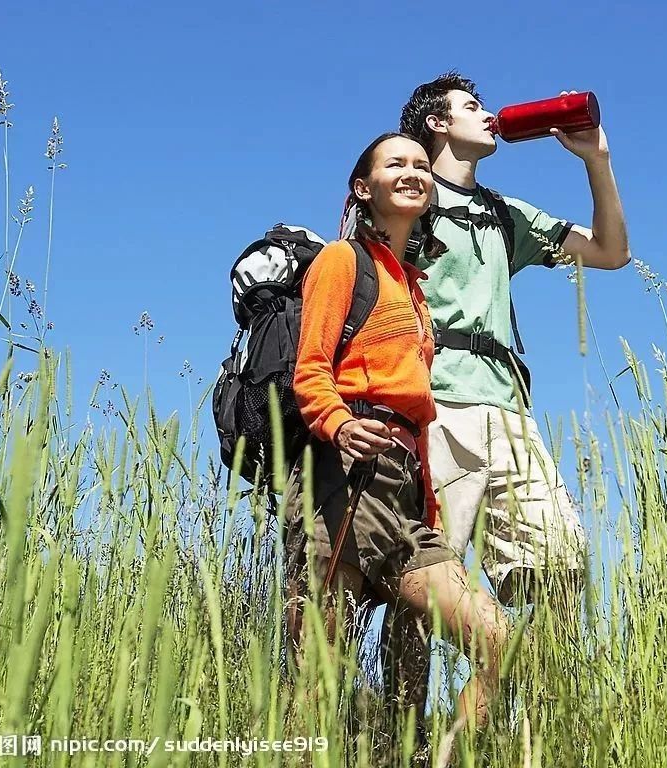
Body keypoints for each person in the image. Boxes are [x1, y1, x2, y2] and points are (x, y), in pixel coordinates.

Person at [379, 72, 631, 719]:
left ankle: (526, 724)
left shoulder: (502, 214)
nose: (488, 115)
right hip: (435, 410)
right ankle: (398, 736)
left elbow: (610, 251)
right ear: (436, 123)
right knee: (430, 580)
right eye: (471, 106)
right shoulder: (408, 197)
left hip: (511, 416)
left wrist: (596, 159)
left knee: (561, 560)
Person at [285, 132, 509, 730]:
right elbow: (309, 368)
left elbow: (418, 410)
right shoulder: (342, 261)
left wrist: (427, 499)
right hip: (346, 478)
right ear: (364, 188)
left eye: (419, 164)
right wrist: (337, 425)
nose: (412, 171)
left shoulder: (413, 290)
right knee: (319, 675)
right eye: (395, 164)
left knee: (498, 641)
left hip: (405, 490)